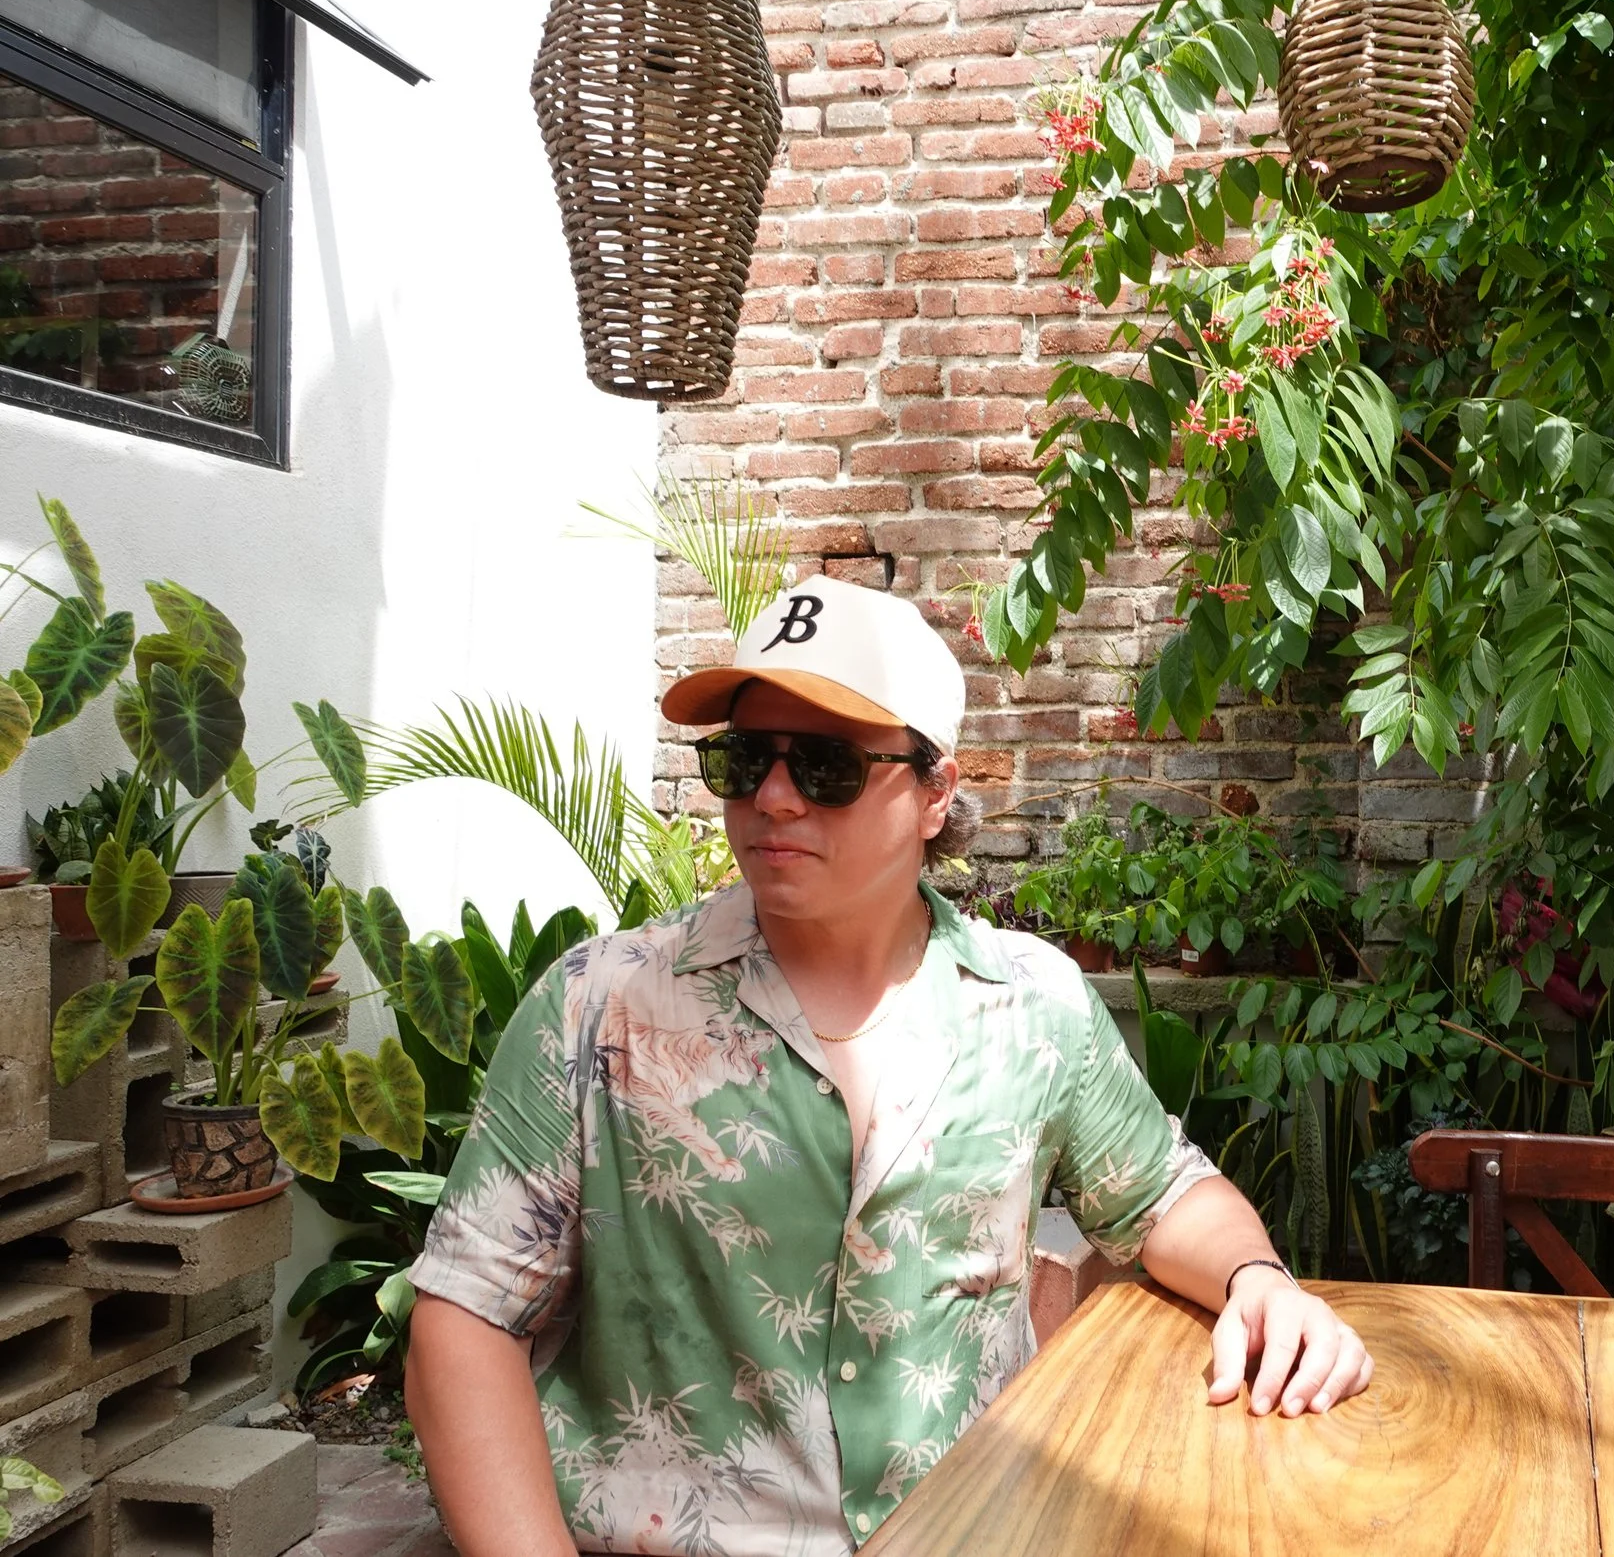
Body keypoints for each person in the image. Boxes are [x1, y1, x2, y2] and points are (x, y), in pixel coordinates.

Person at [402, 579, 1372, 1556]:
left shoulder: (1030, 1004)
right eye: (742, 759)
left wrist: (1260, 1277)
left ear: (935, 792)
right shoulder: (597, 1004)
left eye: (824, 764)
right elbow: (465, 1316)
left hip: (972, 1530)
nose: (772, 796)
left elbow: (1161, 1192)